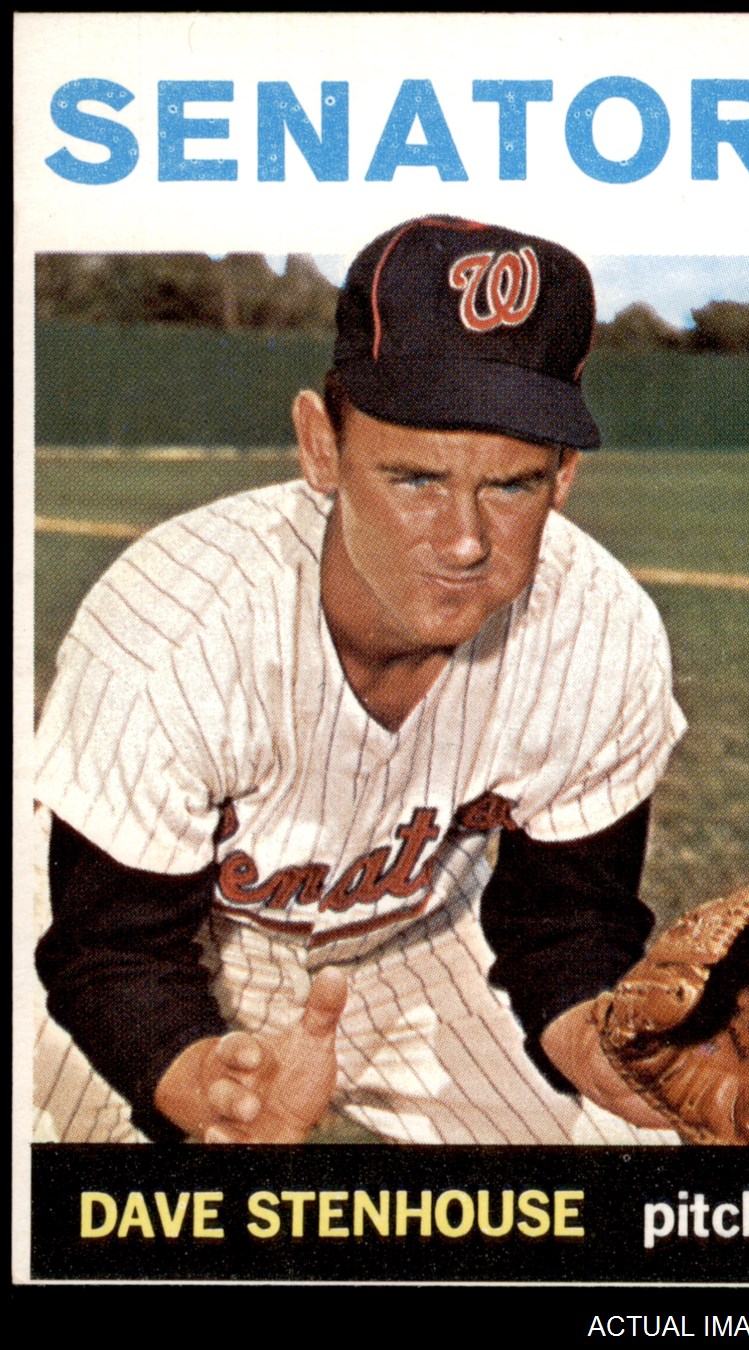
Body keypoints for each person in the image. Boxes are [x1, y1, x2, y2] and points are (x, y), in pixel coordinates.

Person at [33, 216, 686, 1145]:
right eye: (416, 478)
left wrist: (601, 1045)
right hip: (138, 943)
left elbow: (569, 922)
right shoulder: (176, 626)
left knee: (647, 1150)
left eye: (511, 485)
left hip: (410, 945)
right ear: (321, 446)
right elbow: (109, 949)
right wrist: (194, 1079)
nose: (464, 541)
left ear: (565, 474)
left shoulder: (601, 630)